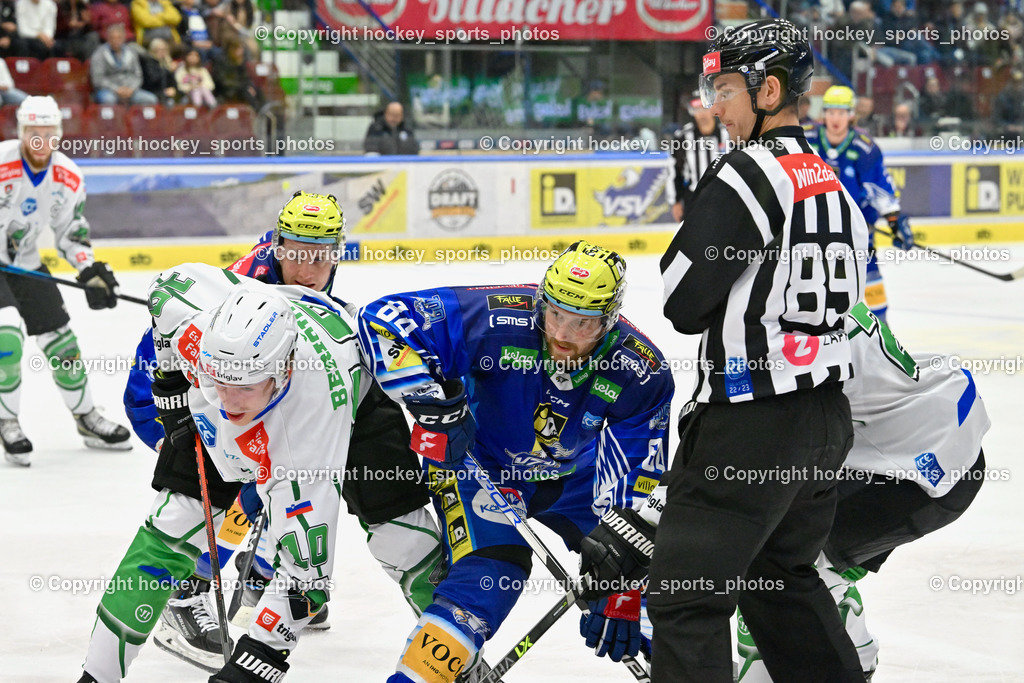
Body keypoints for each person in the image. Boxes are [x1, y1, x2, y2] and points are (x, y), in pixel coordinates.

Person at [579, 19, 870, 682]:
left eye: (728, 88)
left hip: (750, 422)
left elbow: (682, 298)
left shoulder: (749, 172)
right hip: (825, 423)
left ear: (770, 90)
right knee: (784, 580)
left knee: (685, 600)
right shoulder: (833, 181)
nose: (716, 104)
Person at [114, 191, 441, 675]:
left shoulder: (309, 271)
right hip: (174, 396)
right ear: (277, 244)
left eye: (322, 254)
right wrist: (169, 411)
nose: (310, 267)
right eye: (299, 252)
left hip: (240, 397)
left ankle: (267, 580)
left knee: (288, 482)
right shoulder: (252, 284)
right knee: (239, 490)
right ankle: (189, 591)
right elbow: (165, 350)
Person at [360, 240, 674, 682]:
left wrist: (622, 580)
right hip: (475, 460)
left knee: (661, 582)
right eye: (556, 314)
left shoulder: (641, 370)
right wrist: (432, 403)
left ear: (610, 320)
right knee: (491, 576)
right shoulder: (498, 315)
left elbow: (634, 477)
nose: (563, 333)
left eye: (582, 323)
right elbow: (381, 320)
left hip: (573, 477)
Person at [78, 261, 363, 683]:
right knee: (166, 534)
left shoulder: (308, 434)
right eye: (219, 380)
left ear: (282, 370)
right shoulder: (199, 337)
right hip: (244, 387)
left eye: (243, 386)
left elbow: (308, 583)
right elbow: (167, 289)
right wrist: (172, 382)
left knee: (394, 533)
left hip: (317, 401)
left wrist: (247, 669)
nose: (228, 399)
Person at [736, 301, 990, 681]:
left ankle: (843, 649)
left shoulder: (794, 342)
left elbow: (782, 445)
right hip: (934, 440)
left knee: (780, 564)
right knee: (789, 554)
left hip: (923, 473)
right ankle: (844, 629)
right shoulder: (818, 303)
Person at [0, 95, 130, 467]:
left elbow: (72, 234)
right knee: (6, 336)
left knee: (63, 344)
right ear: (22, 132)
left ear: (58, 134)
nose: (40, 141)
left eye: (48, 133)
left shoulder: (68, 176)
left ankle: (86, 417)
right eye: (32, 133)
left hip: (24, 264)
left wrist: (89, 271)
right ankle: (7, 420)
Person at [805, 85, 914, 323]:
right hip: (813, 227)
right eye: (831, 112)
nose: (836, 118)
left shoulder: (864, 147)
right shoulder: (807, 138)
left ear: (851, 115)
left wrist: (894, 219)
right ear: (823, 113)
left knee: (870, 278)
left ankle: (883, 333)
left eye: (841, 112)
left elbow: (879, 185)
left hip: (856, 228)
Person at [669, 92, 729, 222]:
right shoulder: (682, 137)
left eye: (705, 108)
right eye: (696, 109)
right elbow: (675, 170)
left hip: (725, 197)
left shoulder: (728, 133)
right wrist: (676, 201)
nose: (701, 113)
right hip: (694, 198)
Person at [89, 22, 160, 105]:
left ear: (124, 38)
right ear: (107, 38)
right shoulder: (99, 54)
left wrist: (131, 89)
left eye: (119, 37)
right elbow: (98, 79)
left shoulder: (132, 52)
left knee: (151, 99)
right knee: (109, 100)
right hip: (108, 90)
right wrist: (117, 89)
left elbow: (138, 75)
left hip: (131, 90)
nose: (116, 40)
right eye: (113, 38)